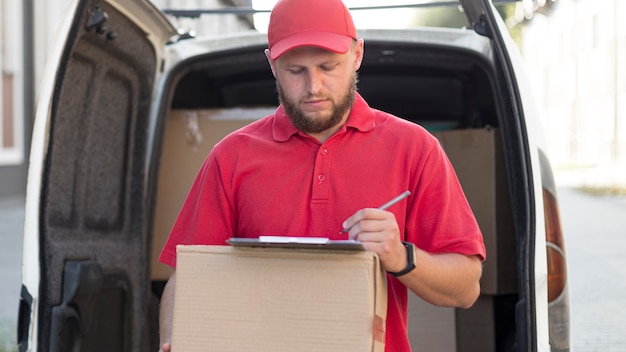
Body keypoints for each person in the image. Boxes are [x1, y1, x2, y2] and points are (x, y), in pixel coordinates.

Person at [158, 0, 486, 350]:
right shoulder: (231, 156)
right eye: (295, 71)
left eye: (328, 66)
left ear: (357, 54)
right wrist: (174, 338)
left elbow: (466, 289)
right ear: (272, 64)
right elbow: (189, 276)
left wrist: (402, 257)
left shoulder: (415, 148)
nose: (313, 87)